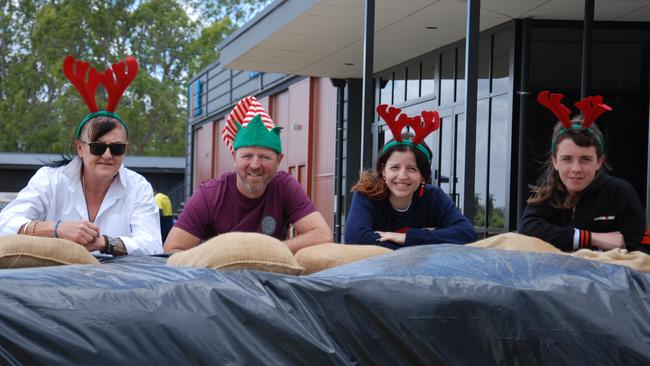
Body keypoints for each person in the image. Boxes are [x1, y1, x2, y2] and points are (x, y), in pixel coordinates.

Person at [0, 55, 162, 256]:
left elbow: (153, 245)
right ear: (80, 148)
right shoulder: (50, 180)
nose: (108, 155)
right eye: (98, 147)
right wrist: (57, 229)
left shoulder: (138, 187)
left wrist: (104, 243)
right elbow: (5, 224)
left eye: (117, 148)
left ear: (126, 149)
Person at [163, 96, 332, 253]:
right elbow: (172, 249)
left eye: (265, 157)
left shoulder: (284, 186)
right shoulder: (209, 194)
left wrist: (264, 253)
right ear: (234, 157)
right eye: (247, 156)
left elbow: (322, 235)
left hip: (269, 279)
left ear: (279, 160)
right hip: (219, 279)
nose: (255, 165)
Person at [518, 91, 647, 253]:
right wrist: (591, 238)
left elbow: (640, 254)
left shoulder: (621, 193)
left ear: (599, 161)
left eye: (585, 159)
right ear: (555, 161)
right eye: (567, 159)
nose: (576, 169)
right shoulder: (548, 190)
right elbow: (528, 229)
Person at [344, 104, 476, 249]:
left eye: (412, 169)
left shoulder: (434, 196)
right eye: (395, 167)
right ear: (383, 170)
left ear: (423, 176)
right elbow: (355, 240)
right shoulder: (366, 194)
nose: (402, 176)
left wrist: (407, 237)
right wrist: (428, 238)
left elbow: (467, 234)